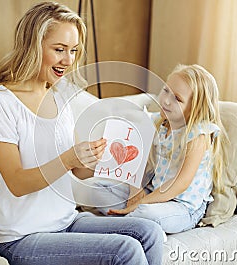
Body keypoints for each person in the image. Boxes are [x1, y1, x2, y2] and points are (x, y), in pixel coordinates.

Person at [0, 2, 164, 265]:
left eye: (73, 51)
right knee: (124, 251)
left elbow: (77, 171)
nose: (69, 60)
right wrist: (69, 159)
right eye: (59, 49)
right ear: (32, 46)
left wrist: (99, 156)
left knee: (149, 232)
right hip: (22, 238)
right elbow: (17, 183)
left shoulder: (59, 96)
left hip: (67, 221)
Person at [91, 63, 227, 234]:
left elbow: (180, 184)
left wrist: (140, 203)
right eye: (165, 90)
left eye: (177, 98)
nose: (166, 100)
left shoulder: (198, 134)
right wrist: (136, 192)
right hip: (154, 195)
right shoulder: (159, 123)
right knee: (97, 189)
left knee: (145, 212)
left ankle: (131, 225)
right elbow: (135, 158)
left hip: (182, 207)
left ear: (195, 108)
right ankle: (137, 226)